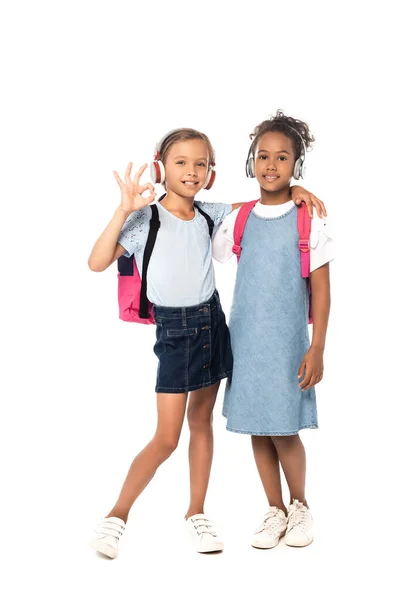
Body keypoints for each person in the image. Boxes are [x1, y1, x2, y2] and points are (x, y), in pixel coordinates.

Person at [88, 127, 325, 557]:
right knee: (165, 438)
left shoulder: (210, 213)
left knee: (202, 423)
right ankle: (116, 516)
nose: (192, 172)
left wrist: (299, 189)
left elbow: (261, 205)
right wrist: (122, 211)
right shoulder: (144, 218)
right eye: (181, 163)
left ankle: (196, 512)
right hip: (175, 334)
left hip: (213, 327)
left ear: (211, 174)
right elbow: (97, 261)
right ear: (161, 166)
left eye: (201, 164)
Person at [213, 111, 333, 549]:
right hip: (245, 341)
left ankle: (300, 505)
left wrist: (317, 346)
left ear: (296, 165)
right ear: (251, 160)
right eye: (263, 156)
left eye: (282, 158)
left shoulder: (309, 218)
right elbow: (198, 221)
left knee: (285, 428)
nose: (270, 165)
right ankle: (274, 509)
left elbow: (321, 290)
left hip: (287, 344)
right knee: (258, 427)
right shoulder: (239, 218)